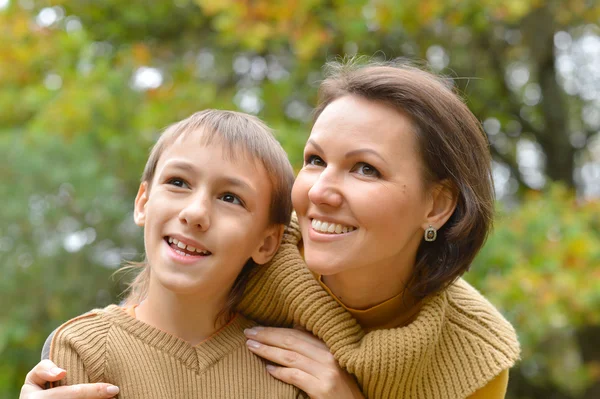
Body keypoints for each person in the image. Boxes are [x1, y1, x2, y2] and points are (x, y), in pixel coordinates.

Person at [22, 60, 520, 399]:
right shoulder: (255, 246)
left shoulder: (469, 355)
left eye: (365, 168)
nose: (321, 191)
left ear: (437, 205)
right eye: (315, 160)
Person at [25, 109, 308, 398]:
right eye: (178, 182)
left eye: (230, 198)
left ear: (266, 243)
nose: (195, 212)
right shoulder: (84, 349)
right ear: (143, 202)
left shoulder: (288, 368)